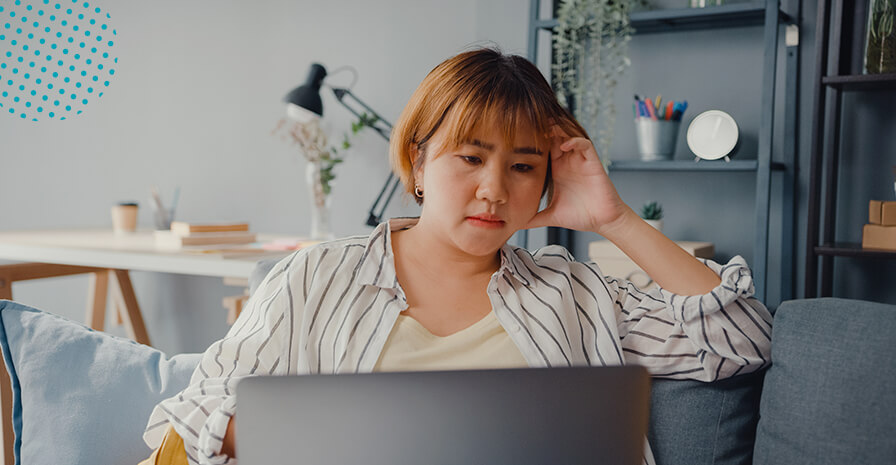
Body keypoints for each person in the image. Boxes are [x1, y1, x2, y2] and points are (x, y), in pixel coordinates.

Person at [141, 47, 772, 465]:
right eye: (470, 158)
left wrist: (614, 219)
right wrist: (309, 439)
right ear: (418, 161)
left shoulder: (574, 293)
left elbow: (740, 339)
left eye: (523, 166)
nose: (495, 190)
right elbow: (185, 418)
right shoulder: (315, 276)